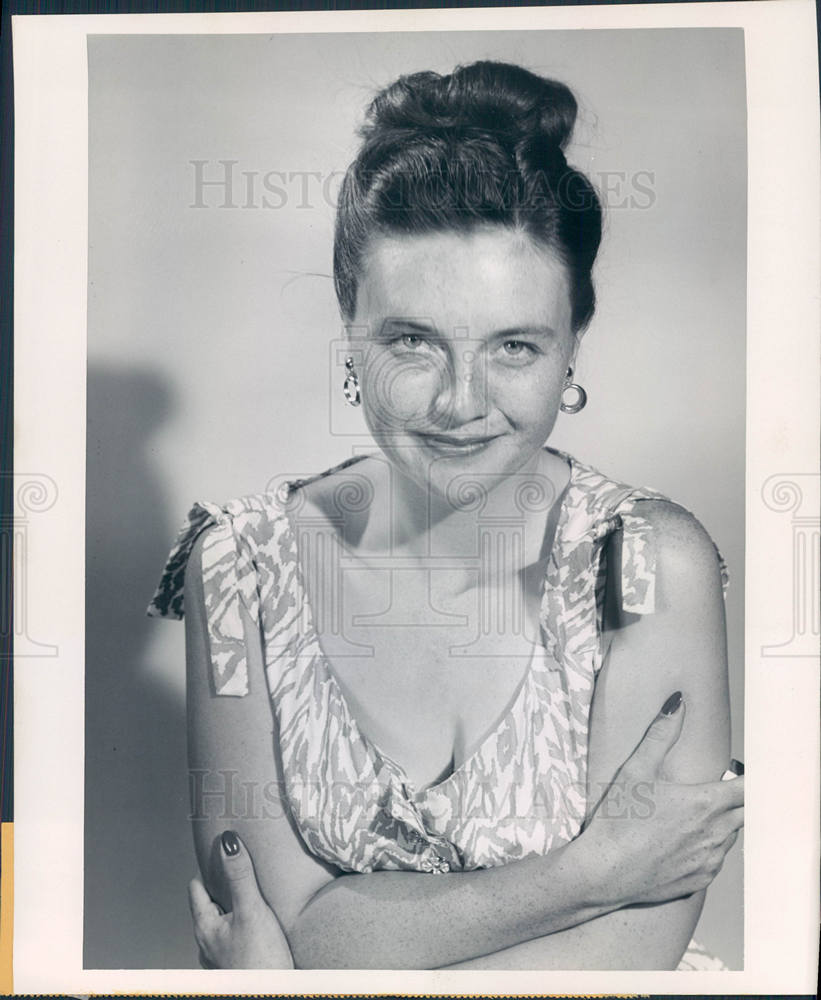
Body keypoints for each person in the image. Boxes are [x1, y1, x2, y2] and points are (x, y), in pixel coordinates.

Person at [147, 60, 744, 970]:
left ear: (572, 344)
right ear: (349, 329)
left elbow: (627, 959)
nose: (462, 403)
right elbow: (277, 916)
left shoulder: (648, 563)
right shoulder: (237, 569)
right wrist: (590, 873)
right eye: (412, 341)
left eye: (514, 346)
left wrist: (327, 955)